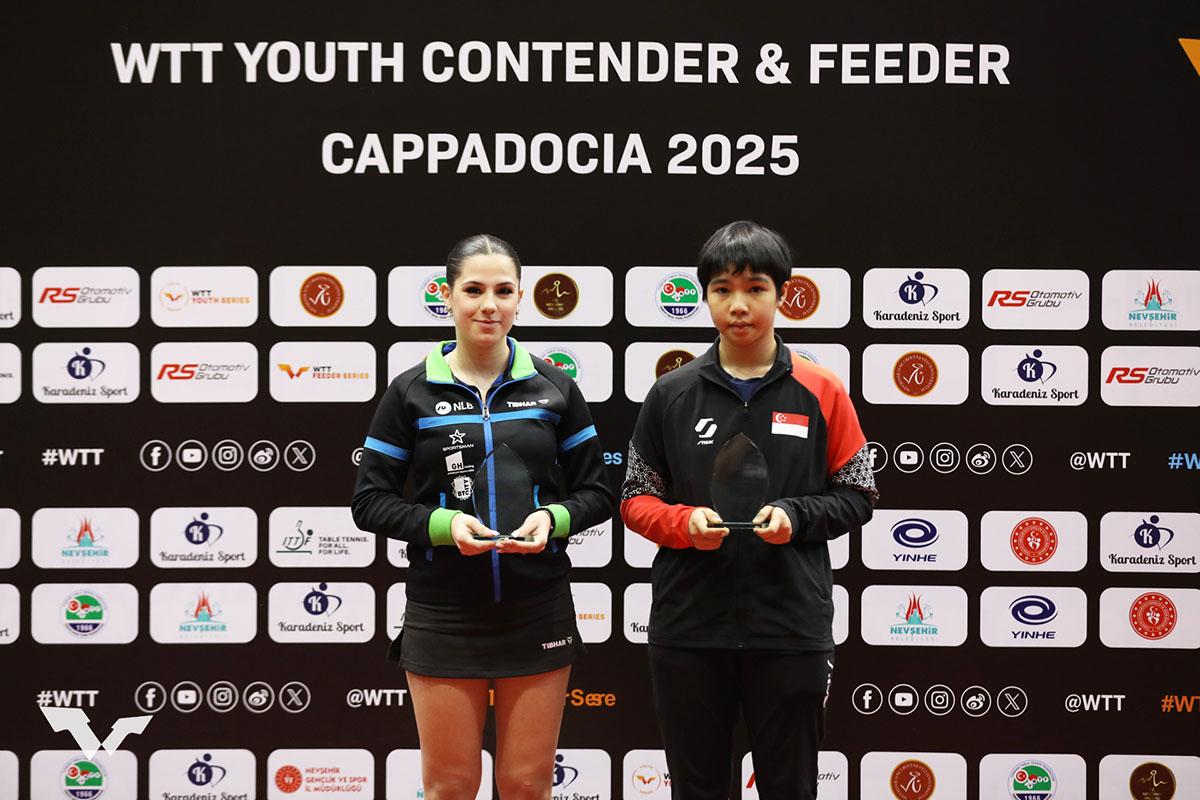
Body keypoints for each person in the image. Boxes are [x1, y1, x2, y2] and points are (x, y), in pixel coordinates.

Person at [620, 220, 878, 800]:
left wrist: (796, 516)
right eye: (723, 289)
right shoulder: (671, 393)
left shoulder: (822, 389)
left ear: (782, 293)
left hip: (789, 628)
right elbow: (635, 497)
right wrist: (682, 524)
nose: (738, 305)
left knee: (790, 789)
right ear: (706, 296)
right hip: (690, 629)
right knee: (697, 790)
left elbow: (859, 494)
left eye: (755, 288)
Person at [352, 234, 613, 800]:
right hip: (443, 611)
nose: (488, 305)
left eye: (503, 291)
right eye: (473, 290)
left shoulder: (554, 387)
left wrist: (553, 519)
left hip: (537, 606)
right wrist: (444, 528)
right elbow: (369, 501)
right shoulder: (410, 392)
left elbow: (598, 492)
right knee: (450, 786)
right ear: (447, 296)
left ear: (521, 297)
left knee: (526, 785)